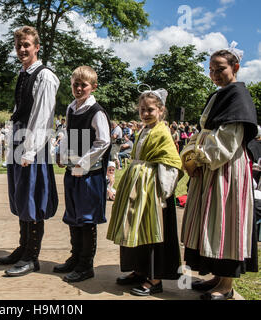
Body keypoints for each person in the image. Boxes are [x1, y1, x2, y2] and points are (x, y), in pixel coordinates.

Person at [180, 42, 258, 300]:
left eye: (220, 69)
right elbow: (204, 131)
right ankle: (216, 277)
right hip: (211, 170)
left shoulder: (238, 95)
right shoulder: (219, 94)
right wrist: (189, 152)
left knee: (227, 222)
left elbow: (228, 139)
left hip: (227, 169)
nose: (214, 74)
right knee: (212, 223)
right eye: (211, 69)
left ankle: (226, 286)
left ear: (235, 67)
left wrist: (199, 157)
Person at [107, 87, 183, 296]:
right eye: (142, 109)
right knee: (134, 229)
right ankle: (139, 270)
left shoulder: (162, 132)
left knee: (152, 233)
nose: (146, 113)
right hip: (137, 188)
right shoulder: (143, 130)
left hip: (152, 190)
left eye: (150, 109)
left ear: (161, 110)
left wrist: (163, 192)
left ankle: (155, 278)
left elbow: (170, 163)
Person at [0, 26, 59, 277]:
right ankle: (23, 249)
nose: (22, 49)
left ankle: (32, 257)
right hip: (19, 139)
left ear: (37, 47)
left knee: (32, 198)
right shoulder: (23, 73)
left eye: (27, 45)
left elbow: (42, 117)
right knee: (21, 197)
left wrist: (29, 151)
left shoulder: (45, 76)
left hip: (32, 143)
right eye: (19, 45)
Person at [54, 66, 111, 282]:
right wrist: (62, 154)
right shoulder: (71, 108)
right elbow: (68, 134)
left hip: (89, 175)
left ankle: (86, 264)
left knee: (87, 219)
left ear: (93, 87)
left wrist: (83, 164)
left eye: (83, 85)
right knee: (73, 216)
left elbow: (104, 141)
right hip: (72, 171)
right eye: (75, 84)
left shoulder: (96, 112)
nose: (78, 88)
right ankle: (75, 257)